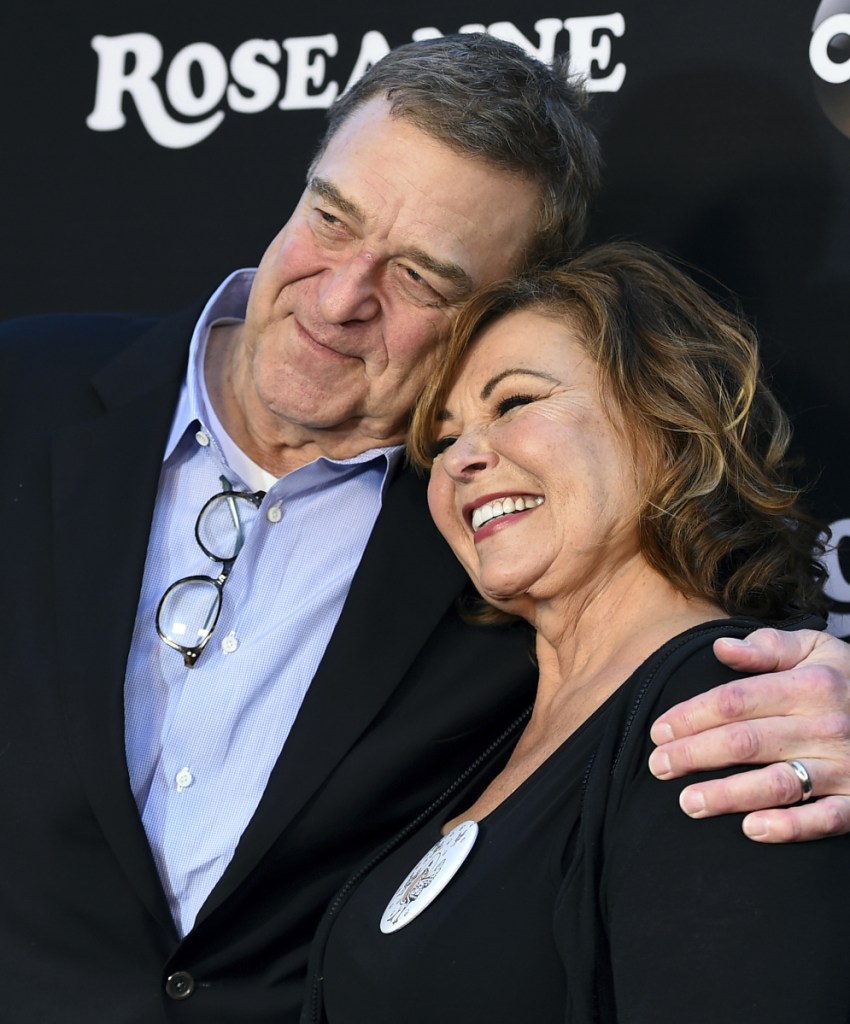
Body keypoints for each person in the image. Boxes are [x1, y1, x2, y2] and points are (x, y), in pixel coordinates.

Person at [1, 33, 848, 1024]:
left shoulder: (501, 545)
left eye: (420, 277)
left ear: (491, 314)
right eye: (332, 218)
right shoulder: (27, 392)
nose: (341, 295)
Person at [303, 242, 850, 1023]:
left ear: (667, 418)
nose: (461, 458)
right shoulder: (496, 740)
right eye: (444, 437)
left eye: (516, 402)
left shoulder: (730, 714)